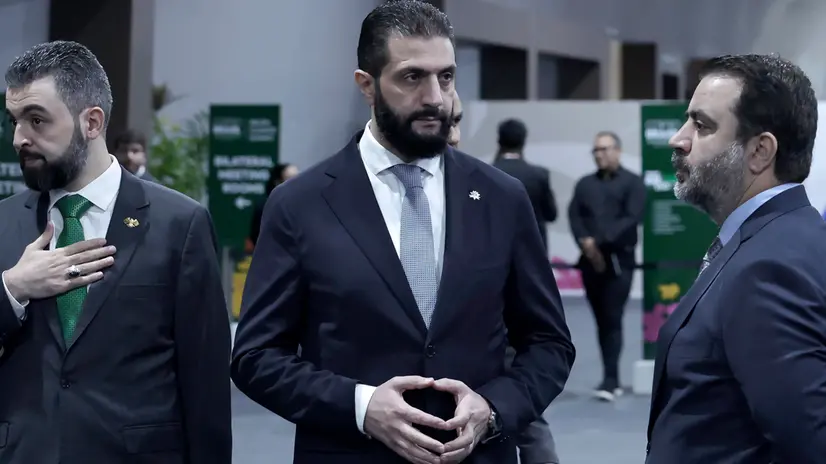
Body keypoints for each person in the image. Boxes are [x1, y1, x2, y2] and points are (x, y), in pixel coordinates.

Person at [230, 2, 575, 464]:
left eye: (447, 77)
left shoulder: (501, 198)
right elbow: (256, 356)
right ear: (366, 85)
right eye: (413, 77)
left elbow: (548, 343)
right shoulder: (300, 204)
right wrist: (361, 407)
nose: (436, 97)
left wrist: (494, 408)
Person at [0, 41, 231, 463]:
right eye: (15, 121)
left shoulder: (179, 225)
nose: (20, 139)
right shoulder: (3, 223)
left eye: (37, 120)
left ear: (91, 122)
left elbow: (205, 383)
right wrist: (11, 289)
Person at [647, 54, 826, 463]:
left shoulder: (768, 268)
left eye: (702, 125)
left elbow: (808, 442)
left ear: (760, 151)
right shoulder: (780, 240)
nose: (678, 138)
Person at [448, 94, 560, 464]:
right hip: (525, 283)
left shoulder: (484, 179)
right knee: (526, 409)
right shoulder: (533, 177)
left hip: (484, 301)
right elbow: (552, 214)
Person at [568, 131, 645, 401]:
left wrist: (599, 241)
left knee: (613, 317)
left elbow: (632, 217)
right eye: (596, 150)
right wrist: (584, 242)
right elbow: (574, 215)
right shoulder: (585, 184)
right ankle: (608, 375)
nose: (600, 154)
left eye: (604, 149)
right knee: (601, 319)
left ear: (618, 151)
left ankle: (611, 380)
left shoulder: (633, 183)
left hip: (619, 262)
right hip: (590, 263)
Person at [492, 119, 557, 251]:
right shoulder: (539, 175)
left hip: (498, 249)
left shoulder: (487, 172)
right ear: (523, 141)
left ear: (499, 141)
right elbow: (551, 214)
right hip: (533, 250)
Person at [249, 163, 298, 247]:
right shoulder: (266, 207)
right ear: (278, 182)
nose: (297, 183)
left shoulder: (302, 206)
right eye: (291, 179)